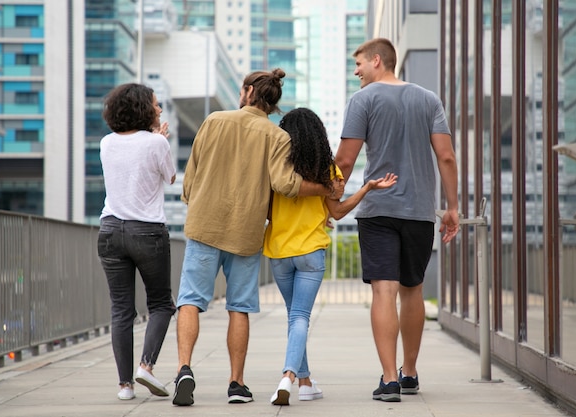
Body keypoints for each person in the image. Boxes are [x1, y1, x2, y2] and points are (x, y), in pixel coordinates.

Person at [173, 69, 344, 407]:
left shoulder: (214, 121)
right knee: (239, 307)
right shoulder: (275, 136)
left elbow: (189, 182)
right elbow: (286, 185)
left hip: (204, 228)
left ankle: (183, 369)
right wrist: (326, 188)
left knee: (190, 301)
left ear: (248, 91)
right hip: (246, 234)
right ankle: (236, 383)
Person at [335, 38, 460, 403]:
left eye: (359, 64)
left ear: (377, 61)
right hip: (420, 211)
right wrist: (451, 208)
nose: (356, 71)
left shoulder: (363, 100)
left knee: (384, 291)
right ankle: (410, 373)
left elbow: (344, 161)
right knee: (413, 290)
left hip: (378, 209)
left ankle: (389, 380)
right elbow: (447, 157)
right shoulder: (428, 99)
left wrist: (330, 203)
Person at [265, 107, 397, 406]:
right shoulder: (326, 169)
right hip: (311, 251)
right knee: (299, 316)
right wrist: (367, 188)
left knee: (294, 316)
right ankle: (289, 376)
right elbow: (337, 211)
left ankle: (306, 382)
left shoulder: (276, 167)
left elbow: (266, 208)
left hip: (278, 251)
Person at [97, 83, 177, 401]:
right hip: (147, 232)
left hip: (109, 231)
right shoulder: (156, 144)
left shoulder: (106, 143)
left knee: (121, 311)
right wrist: (160, 139)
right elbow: (170, 177)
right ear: (144, 109)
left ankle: (124, 386)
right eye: (156, 105)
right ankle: (146, 365)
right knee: (161, 304)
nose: (159, 110)